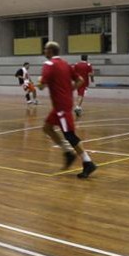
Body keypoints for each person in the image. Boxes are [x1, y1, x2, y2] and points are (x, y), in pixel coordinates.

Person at [38, 41, 97, 178]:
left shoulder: (49, 64)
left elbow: (42, 85)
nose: (44, 50)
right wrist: (69, 91)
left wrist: (40, 82)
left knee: (69, 135)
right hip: (62, 105)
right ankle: (68, 153)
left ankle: (88, 162)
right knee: (47, 128)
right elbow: (80, 80)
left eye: (46, 49)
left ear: (51, 51)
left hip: (61, 107)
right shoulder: (65, 64)